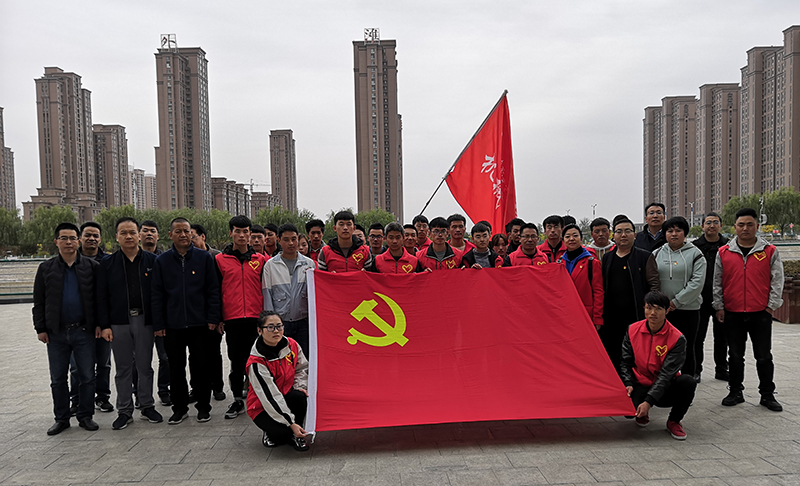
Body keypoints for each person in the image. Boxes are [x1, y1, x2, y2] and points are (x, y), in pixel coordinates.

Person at [713, 207, 784, 412]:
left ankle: (767, 394)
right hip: (733, 312)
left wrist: (771, 306)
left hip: (760, 312)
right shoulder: (724, 252)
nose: (745, 228)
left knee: (763, 356)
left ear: (757, 226)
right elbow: (717, 282)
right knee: (735, 355)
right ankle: (735, 391)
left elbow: (777, 280)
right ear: (735, 227)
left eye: (750, 225)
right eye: (741, 225)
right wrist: (719, 306)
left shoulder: (769, 251)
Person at [151, 217, 221, 424]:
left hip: (200, 323)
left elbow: (213, 290)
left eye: (186, 231)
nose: (183, 235)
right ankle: (179, 408)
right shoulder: (162, 261)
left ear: (192, 233)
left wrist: (213, 317)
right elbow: (157, 294)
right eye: (178, 231)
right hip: (172, 325)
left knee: (201, 367)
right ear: (170, 235)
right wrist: (159, 324)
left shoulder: (204, 258)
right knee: (175, 368)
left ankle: (203, 407)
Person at [33, 222, 100, 435]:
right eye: (64, 238)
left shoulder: (91, 267)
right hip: (56, 333)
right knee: (57, 379)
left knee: (87, 376)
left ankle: (85, 416)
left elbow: (99, 300)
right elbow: (39, 301)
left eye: (72, 238)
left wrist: (100, 324)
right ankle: (61, 418)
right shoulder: (46, 268)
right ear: (56, 241)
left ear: (78, 241)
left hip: (84, 331)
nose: (68, 242)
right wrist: (40, 328)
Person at [97, 217, 163, 430]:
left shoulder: (153, 261)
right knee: (123, 368)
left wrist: (158, 323)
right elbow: (101, 297)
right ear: (116, 237)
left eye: (132, 232)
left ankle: (147, 405)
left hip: (145, 321)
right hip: (119, 322)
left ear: (139, 235)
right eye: (123, 233)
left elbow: (159, 294)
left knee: (145, 366)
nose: (128, 236)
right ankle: (124, 410)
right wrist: (105, 325)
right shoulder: (107, 264)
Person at [620, 291, 697, 440]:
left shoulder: (677, 338)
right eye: (649, 308)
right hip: (640, 383)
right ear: (644, 308)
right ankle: (642, 412)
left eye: (658, 309)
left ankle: (674, 421)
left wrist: (648, 402)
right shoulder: (632, 330)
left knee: (688, 382)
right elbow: (625, 361)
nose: (653, 313)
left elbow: (666, 375)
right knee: (628, 412)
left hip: (665, 387)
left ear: (667, 310)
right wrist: (628, 383)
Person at [216, 215, 267, 420]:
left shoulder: (260, 260)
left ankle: (258, 398)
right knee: (236, 361)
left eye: (246, 232)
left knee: (257, 360)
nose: (242, 235)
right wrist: (219, 318)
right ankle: (238, 399)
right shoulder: (220, 260)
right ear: (231, 233)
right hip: (233, 319)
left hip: (256, 318)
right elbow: (215, 291)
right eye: (238, 231)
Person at [600, 217, 660, 373]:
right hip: (612, 315)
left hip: (636, 313)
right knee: (613, 350)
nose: (623, 235)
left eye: (627, 231)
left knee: (635, 351)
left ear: (635, 235)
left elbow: (654, 285)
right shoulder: (607, 258)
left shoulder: (645, 256)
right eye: (619, 231)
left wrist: (650, 308)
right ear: (613, 235)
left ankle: (635, 380)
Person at [246, 311, 310, 452]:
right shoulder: (256, 362)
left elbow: (301, 368)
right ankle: (276, 431)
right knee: (282, 436)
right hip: (262, 405)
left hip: (286, 395)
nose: (276, 331)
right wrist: (290, 423)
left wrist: (299, 386)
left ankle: (297, 434)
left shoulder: (292, 345)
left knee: (299, 396)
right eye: (270, 327)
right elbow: (270, 397)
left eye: (279, 326)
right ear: (259, 330)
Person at [653, 216, 706, 378]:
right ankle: (664, 383)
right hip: (663, 311)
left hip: (688, 310)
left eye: (678, 230)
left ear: (685, 233)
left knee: (686, 347)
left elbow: (696, 284)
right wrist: (660, 304)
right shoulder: (656, 253)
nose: (674, 234)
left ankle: (688, 382)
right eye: (670, 231)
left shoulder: (696, 255)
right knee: (662, 348)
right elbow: (651, 280)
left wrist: (675, 302)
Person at [69, 221, 112, 416]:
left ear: (100, 239)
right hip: (78, 323)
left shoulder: (108, 261)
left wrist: (105, 322)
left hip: (103, 321)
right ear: (80, 238)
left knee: (103, 363)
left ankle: (102, 397)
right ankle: (77, 400)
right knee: (76, 366)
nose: (92, 239)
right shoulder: (71, 260)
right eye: (87, 235)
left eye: (95, 235)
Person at [263, 224, 316, 356]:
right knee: (282, 357)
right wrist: (271, 323)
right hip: (281, 324)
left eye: (294, 239)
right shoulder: (270, 265)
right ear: (279, 240)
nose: (291, 243)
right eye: (286, 240)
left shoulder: (309, 264)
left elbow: (315, 295)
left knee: (304, 358)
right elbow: (267, 295)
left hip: (303, 322)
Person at [692, 212, 729, 382]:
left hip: (722, 299)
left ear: (720, 225)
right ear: (702, 226)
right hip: (699, 299)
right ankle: (696, 370)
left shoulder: (728, 246)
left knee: (721, 337)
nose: (712, 225)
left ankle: (721, 369)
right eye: (708, 223)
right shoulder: (694, 248)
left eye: (715, 222)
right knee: (697, 337)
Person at [138, 219, 170, 406]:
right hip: (139, 317)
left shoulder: (165, 259)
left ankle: (164, 389)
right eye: (145, 231)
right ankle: (139, 393)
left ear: (158, 235)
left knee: (165, 357)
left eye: (152, 231)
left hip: (162, 317)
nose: (149, 234)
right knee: (139, 359)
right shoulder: (133, 259)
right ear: (139, 235)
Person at [556, 224, 603, 330]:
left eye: (575, 235)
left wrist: (597, 318)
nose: (571, 239)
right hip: (564, 314)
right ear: (563, 240)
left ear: (581, 238)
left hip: (586, 314)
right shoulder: (558, 263)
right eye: (567, 236)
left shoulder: (592, 263)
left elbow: (598, 292)